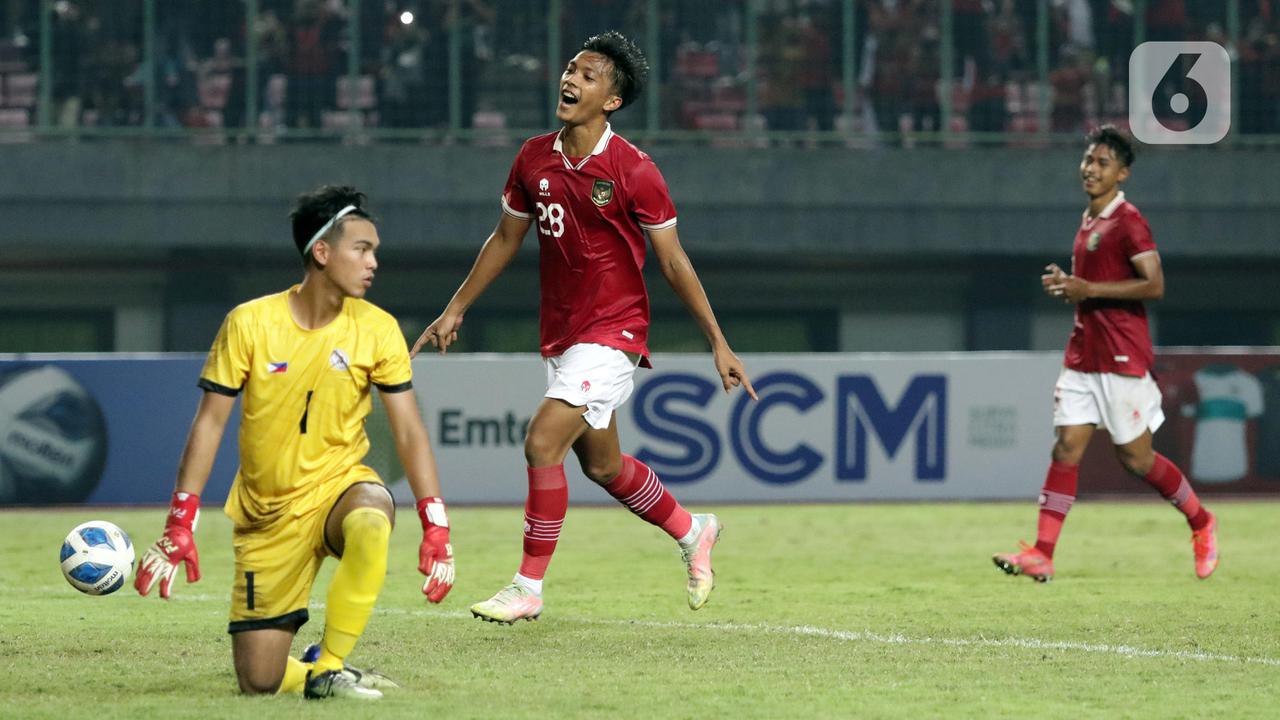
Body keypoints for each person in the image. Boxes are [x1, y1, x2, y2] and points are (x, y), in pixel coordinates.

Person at [412, 31, 757, 624]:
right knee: (601, 465)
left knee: (542, 441)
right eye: (571, 69)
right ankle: (693, 529)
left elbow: (673, 262)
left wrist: (717, 341)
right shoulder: (531, 157)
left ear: (612, 100)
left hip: (615, 331)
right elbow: (504, 239)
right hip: (564, 334)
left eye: (589, 75)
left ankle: (527, 587)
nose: (571, 80)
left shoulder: (635, 170)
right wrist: (456, 307)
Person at [134, 186, 456, 700]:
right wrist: (180, 521)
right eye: (362, 248)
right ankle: (315, 672)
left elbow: (409, 431)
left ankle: (328, 665)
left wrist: (435, 522)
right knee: (258, 682)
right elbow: (210, 424)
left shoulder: (378, 329)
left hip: (338, 487)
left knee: (373, 515)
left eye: (375, 250)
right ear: (322, 253)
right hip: (267, 515)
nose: (374, 262)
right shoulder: (250, 322)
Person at [993, 126, 1218, 583]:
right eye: (1088, 160)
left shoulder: (1128, 220)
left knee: (1136, 460)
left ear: (1123, 174)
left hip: (1121, 357)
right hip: (1083, 353)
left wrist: (1087, 288)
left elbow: (1155, 285)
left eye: (1102, 163)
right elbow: (1092, 288)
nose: (1091, 169)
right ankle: (1042, 553)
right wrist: (1070, 286)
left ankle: (1201, 521)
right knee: (1067, 447)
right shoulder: (1090, 220)